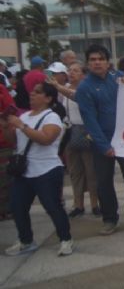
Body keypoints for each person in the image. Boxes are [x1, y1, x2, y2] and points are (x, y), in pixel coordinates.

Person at [76, 44, 124, 235]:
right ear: (88, 63)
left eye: (100, 59)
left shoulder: (117, 79)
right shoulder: (84, 88)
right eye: (92, 59)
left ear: (108, 62)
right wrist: (104, 146)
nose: (97, 62)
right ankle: (109, 218)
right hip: (102, 143)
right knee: (104, 181)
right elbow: (89, 120)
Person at [2, 82, 73, 256]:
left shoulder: (52, 117)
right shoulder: (25, 116)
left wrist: (22, 126)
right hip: (25, 171)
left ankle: (65, 239)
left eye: (37, 92)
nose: (32, 95)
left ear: (48, 98)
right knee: (18, 206)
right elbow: (14, 140)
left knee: (52, 206)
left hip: (46, 170)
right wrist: (6, 127)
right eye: (32, 92)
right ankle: (26, 240)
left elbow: (46, 139)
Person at [52, 62, 100, 218]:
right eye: (69, 70)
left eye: (75, 71)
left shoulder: (86, 89)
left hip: (86, 132)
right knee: (75, 170)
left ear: (83, 74)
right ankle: (78, 203)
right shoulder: (63, 89)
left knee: (91, 170)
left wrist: (60, 88)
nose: (71, 73)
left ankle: (94, 203)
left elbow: (78, 98)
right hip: (71, 131)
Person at [0, 83, 16, 221]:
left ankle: (7, 209)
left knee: (5, 179)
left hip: (3, 143)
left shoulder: (1, 89)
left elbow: (11, 109)